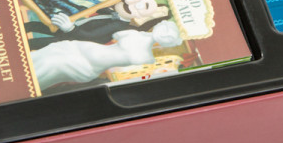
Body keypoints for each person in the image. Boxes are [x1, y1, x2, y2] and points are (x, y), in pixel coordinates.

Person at [30, 20, 182, 91]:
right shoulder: (132, 33)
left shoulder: (148, 58)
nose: (165, 34)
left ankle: (23, 88)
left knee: (51, 65)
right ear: (160, 25)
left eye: (169, 37)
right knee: (46, 55)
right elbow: (103, 35)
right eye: (166, 29)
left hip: (86, 67)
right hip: (81, 48)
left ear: (169, 43)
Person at [26, 0, 170, 49]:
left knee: (32, 44)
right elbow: (98, 9)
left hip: (72, 40)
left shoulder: (118, 26)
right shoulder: (114, 15)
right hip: (69, 30)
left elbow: (91, 36)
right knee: (32, 25)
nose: (130, 2)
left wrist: (70, 28)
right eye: (137, 0)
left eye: (140, 7)